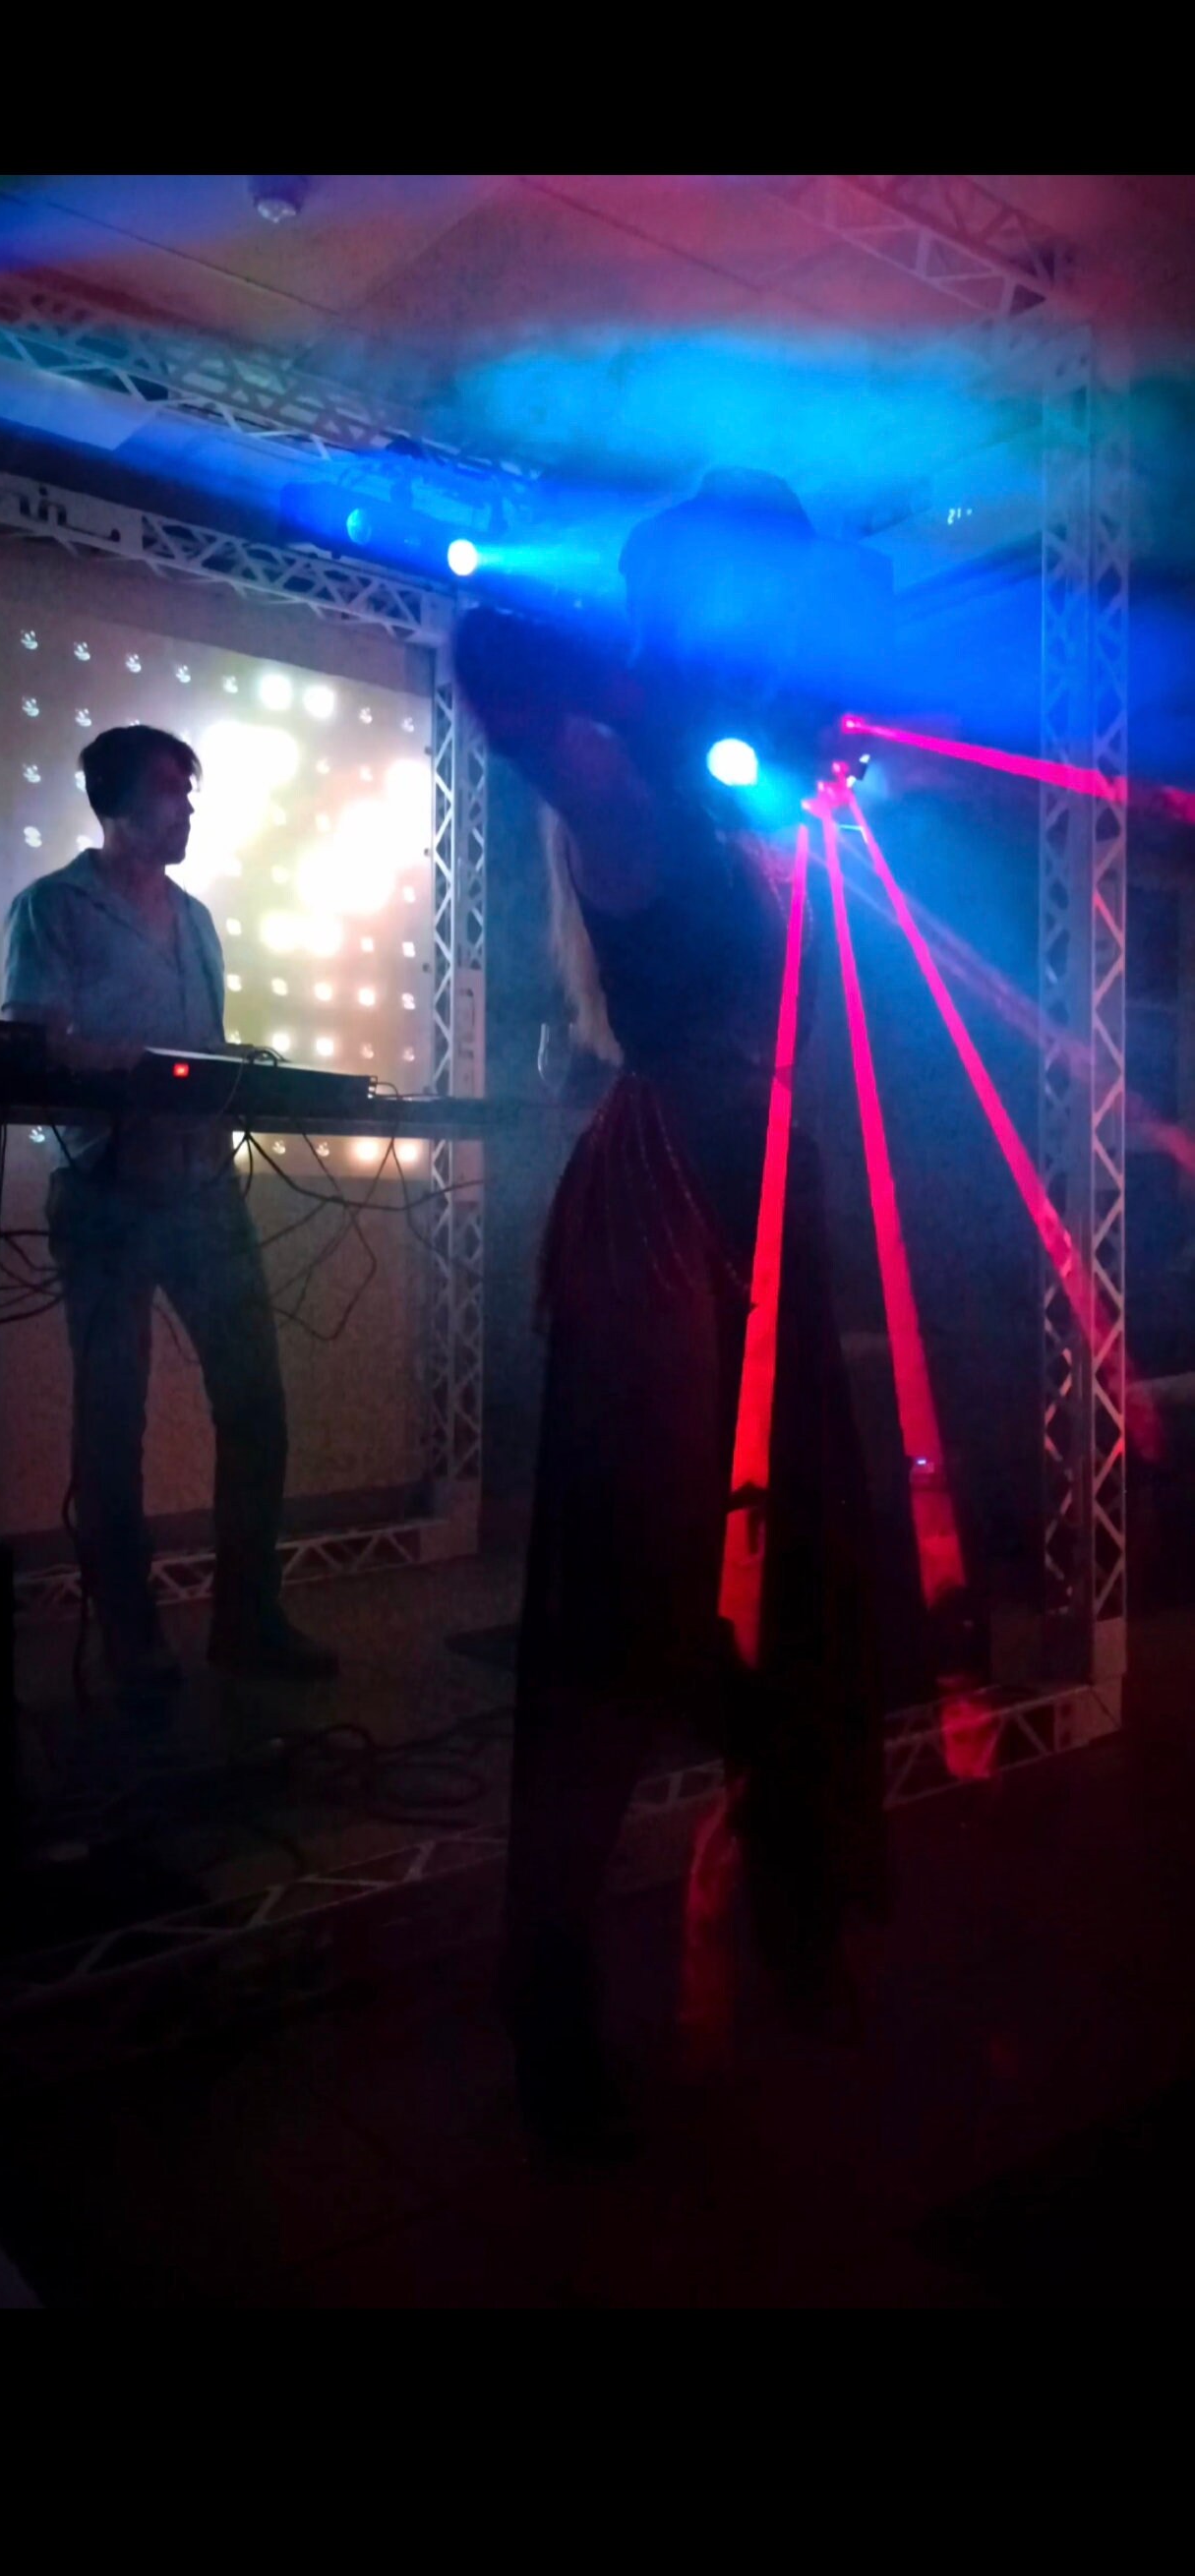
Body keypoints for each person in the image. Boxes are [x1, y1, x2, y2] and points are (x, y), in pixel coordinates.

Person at [456, 588, 886, 2157]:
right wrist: (647, 693)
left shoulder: (696, 786)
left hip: (755, 1204)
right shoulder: (613, 778)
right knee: (625, 1606)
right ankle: (554, 2016)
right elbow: (506, 675)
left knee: (798, 1583)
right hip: (671, 1231)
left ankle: (795, 1923)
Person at [2, 724, 336, 1693]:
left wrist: (229, 1073)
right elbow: (32, 1047)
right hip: (107, 1194)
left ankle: (247, 1620)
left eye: (190, 791)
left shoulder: (195, 920)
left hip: (204, 1191)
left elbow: (204, 1053)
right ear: (114, 801)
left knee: (256, 1406)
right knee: (113, 1424)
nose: (187, 806)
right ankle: (132, 1641)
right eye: (169, 789)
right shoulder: (52, 908)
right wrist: (141, 1070)